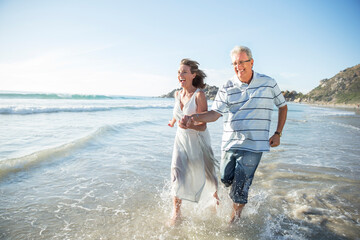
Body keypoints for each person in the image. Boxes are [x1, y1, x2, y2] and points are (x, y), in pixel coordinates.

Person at [181, 46, 288, 223]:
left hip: (254, 145)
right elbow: (214, 114)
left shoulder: (269, 83)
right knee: (225, 178)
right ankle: (238, 198)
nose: (238, 66)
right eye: (235, 63)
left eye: (241, 62)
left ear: (251, 62)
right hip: (230, 143)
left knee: (240, 186)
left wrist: (278, 133)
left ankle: (235, 219)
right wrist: (194, 118)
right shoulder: (227, 86)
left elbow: (282, 106)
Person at [168, 58, 219, 226]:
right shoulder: (177, 94)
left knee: (209, 175)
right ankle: (177, 214)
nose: (180, 75)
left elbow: (203, 125)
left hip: (198, 141)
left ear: (193, 75)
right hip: (181, 141)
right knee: (177, 173)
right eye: (178, 72)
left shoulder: (199, 95)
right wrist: (174, 122)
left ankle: (216, 202)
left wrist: (191, 124)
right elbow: (178, 112)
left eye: (184, 72)